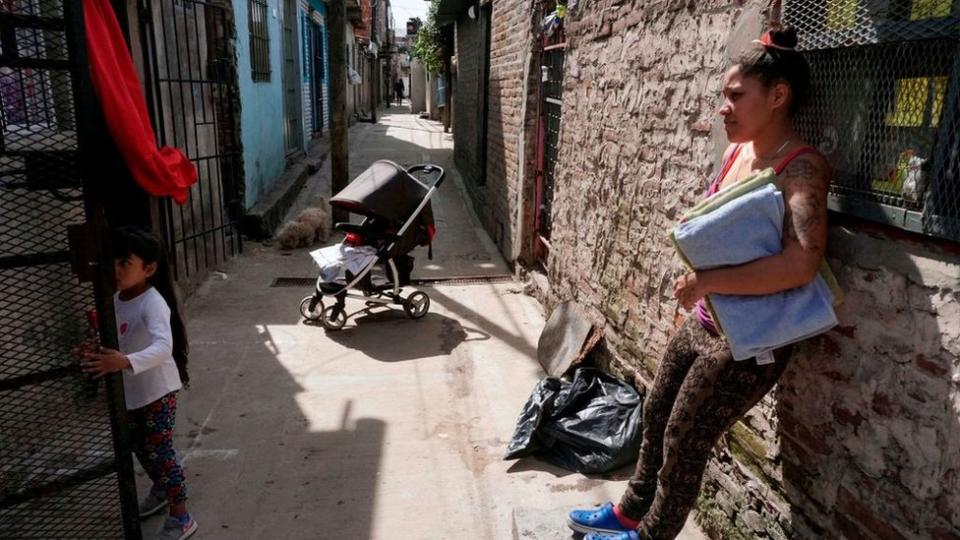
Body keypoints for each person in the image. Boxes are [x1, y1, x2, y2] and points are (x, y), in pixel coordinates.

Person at [566, 26, 829, 540]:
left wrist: (710, 279)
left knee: (686, 442)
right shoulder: (738, 154)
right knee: (658, 412)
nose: (724, 108)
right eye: (723, 96)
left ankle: (649, 536)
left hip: (750, 340)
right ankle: (629, 514)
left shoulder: (801, 169)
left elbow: (801, 265)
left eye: (736, 96)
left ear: (778, 96)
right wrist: (702, 275)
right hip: (709, 316)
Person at [81, 226, 198, 540]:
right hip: (131, 392)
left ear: (149, 268)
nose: (117, 270)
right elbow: (115, 340)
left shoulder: (152, 302)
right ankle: (162, 489)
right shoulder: (115, 300)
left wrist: (124, 361)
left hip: (157, 391)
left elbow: (163, 347)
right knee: (137, 445)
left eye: (125, 263)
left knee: (161, 452)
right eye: (114, 262)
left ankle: (181, 516)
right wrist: (91, 351)